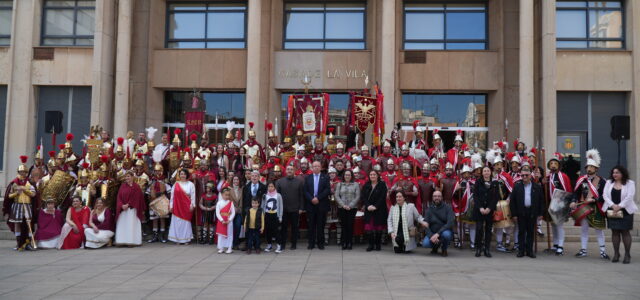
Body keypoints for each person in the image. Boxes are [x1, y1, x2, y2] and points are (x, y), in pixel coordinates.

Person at [570, 149, 608, 259]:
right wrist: (573, 201)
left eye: (591, 167)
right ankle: (583, 250)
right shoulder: (581, 180)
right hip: (584, 207)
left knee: (599, 230)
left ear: (596, 169)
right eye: (587, 167)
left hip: (596, 207)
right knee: (584, 229)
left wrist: (595, 200)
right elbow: (576, 193)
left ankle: (602, 251)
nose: (589, 169)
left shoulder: (602, 181)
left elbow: (605, 196)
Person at [602, 165, 636, 264]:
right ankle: (616, 253)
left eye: (617, 172)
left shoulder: (630, 183)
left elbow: (630, 196)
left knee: (625, 232)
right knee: (615, 232)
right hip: (612, 210)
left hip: (626, 211)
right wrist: (613, 205)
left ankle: (627, 254)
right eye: (613, 172)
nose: (614, 174)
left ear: (622, 173)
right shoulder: (609, 182)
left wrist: (620, 206)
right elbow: (605, 195)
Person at [3, 156, 37, 251]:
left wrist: (25, 190)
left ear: (27, 173)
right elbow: (8, 196)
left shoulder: (30, 182)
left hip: (27, 205)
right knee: (17, 224)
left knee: (29, 223)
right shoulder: (14, 183)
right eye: (21, 172)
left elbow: (34, 194)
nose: (23, 173)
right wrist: (16, 193)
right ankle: (19, 243)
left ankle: (28, 243)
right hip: (17, 205)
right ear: (18, 172)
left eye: (24, 172)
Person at [509, 167, 544, 258]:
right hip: (521, 212)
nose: (524, 176)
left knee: (530, 232)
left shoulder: (537, 187)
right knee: (521, 232)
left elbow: (541, 201)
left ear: (530, 175)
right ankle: (521, 250)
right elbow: (512, 201)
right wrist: (514, 214)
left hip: (532, 212)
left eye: (526, 175)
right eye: (522, 175)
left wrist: (540, 213)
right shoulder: (517, 186)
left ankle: (529, 251)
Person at [303, 161, 331, 250]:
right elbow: (305, 191)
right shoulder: (308, 177)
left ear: (321, 167)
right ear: (312, 168)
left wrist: (318, 198)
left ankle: (320, 243)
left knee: (320, 225)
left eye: (318, 166)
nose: (316, 168)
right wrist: (311, 199)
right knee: (311, 225)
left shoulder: (325, 177)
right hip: (310, 205)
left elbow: (327, 190)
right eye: (314, 166)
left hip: (321, 204)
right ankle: (311, 243)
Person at [276, 165, 304, 250]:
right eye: (288, 169)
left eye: (291, 169)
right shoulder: (279, 182)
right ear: (285, 171)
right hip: (283, 209)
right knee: (283, 228)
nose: (289, 171)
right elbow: (277, 196)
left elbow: (301, 196)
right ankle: (283, 244)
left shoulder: (299, 182)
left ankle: (294, 244)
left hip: (295, 209)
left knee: (295, 228)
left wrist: (301, 208)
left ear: (294, 171)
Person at [115, 171, 147, 246]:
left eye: (128, 176)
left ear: (132, 177)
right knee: (123, 225)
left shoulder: (136, 187)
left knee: (131, 225)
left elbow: (137, 198)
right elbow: (119, 197)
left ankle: (132, 241)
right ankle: (121, 241)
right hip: (123, 209)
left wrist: (128, 204)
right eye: (126, 176)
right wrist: (121, 205)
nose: (127, 178)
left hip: (132, 209)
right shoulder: (122, 186)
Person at [361, 170, 388, 251]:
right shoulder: (366, 185)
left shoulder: (382, 185)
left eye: (374, 174)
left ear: (377, 176)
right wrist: (368, 205)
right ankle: (370, 245)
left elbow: (383, 197)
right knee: (369, 228)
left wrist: (376, 206)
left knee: (378, 228)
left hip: (379, 209)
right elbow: (363, 197)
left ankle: (378, 244)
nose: (372, 176)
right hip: (369, 210)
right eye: (371, 174)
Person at [422, 191, 455, 256]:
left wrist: (438, 234)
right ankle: (435, 247)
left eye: (439, 196)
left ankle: (444, 249)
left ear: (442, 197)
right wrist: (431, 236)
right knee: (425, 244)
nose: (437, 198)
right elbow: (425, 225)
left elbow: (450, 223)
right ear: (432, 198)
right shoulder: (429, 209)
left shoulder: (448, 208)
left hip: (444, 231)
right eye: (435, 196)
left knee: (446, 235)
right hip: (433, 232)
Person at [473, 166, 497, 257]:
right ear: (482, 173)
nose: (486, 172)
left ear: (490, 172)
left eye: (488, 171)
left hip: (489, 211)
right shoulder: (478, 182)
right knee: (479, 229)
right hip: (479, 210)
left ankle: (487, 249)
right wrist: (480, 208)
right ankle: (479, 248)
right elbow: (476, 196)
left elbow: (496, 197)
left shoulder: (495, 183)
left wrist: (489, 208)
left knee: (488, 230)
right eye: (484, 171)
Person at [168, 169, 196, 245]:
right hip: (177, 206)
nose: (182, 175)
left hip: (186, 206)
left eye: (184, 174)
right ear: (179, 175)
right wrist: (171, 206)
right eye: (181, 174)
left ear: (187, 175)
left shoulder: (191, 184)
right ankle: (178, 239)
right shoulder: (176, 184)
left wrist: (192, 205)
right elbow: (172, 196)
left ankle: (186, 239)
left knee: (186, 223)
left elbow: (193, 196)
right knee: (177, 222)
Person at [334, 169, 361, 250]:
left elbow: (357, 196)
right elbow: (336, 196)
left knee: (350, 225)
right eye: (346, 175)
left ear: (351, 176)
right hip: (342, 208)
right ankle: (344, 242)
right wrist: (343, 205)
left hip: (352, 208)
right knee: (344, 225)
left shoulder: (355, 184)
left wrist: (350, 205)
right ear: (343, 176)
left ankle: (349, 242)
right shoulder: (339, 184)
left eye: (349, 175)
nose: (347, 176)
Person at [262, 182, 283, 253]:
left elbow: (281, 206)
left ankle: (279, 245)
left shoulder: (278, 195)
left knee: (276, 231)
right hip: (267, 215)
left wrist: (280, 217)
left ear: (274, 187)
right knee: (268, 231)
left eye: (272, 186)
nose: (270, 188)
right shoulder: (265, 195)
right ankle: (269, 245)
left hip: (275, 215)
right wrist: (262, 215)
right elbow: (263, 206)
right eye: (269, 186)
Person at [216, 187, 236, 254]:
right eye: (225, 195)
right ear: (222, 195)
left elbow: (233, 213)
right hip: (221, 221)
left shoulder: (231, 203)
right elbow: (217, 213)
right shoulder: (219, 203)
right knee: (221, 235)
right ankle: (221, 247)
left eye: (228, 195)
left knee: (229, 234)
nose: (227, 196)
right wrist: (222, 220)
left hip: (228, 222)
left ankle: (229, 247)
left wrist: (229, 220)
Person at [229, 175, 243, 249]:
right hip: (231, 212)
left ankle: (236, 243)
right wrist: (233, 208)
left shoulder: (242, 189)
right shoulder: (229, 190)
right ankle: (230, 243)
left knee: (237, 226)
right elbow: (228, 201)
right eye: (234, 180)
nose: (236, 181)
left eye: (237, 179)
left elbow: (242, 201)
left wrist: (239, 209)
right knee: (231, 228)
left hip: (239, 212)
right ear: (232, 181)